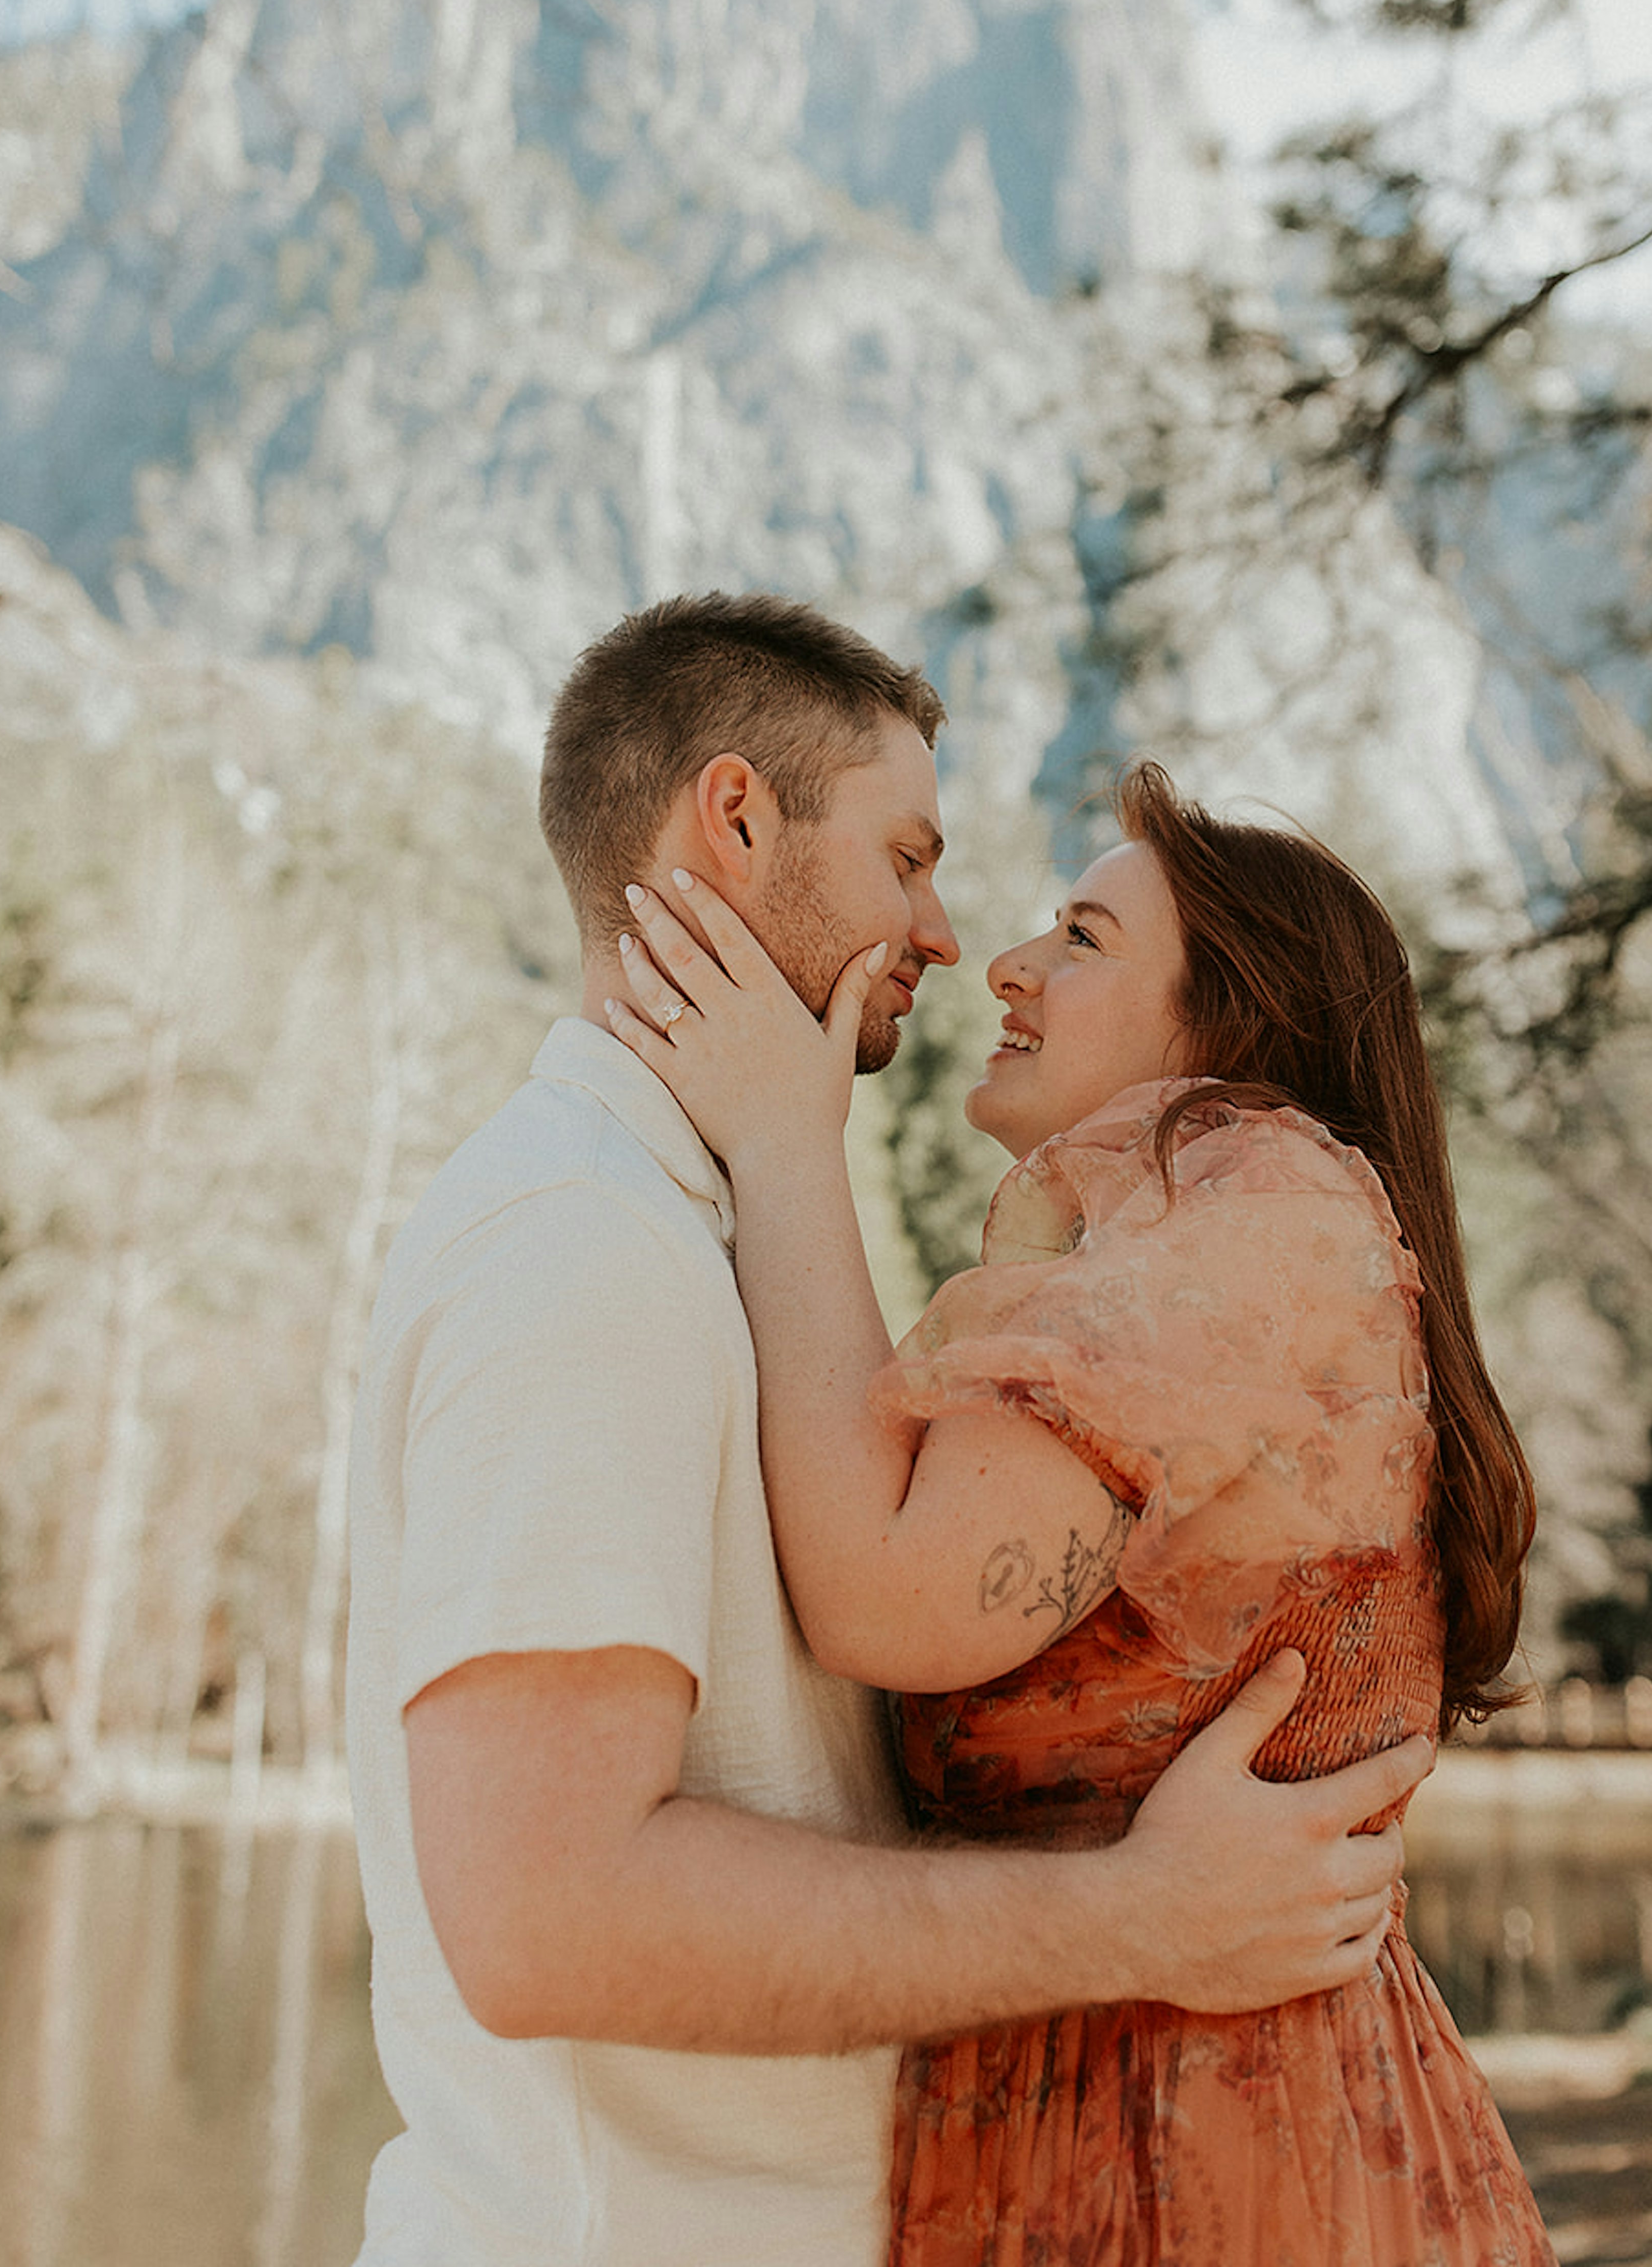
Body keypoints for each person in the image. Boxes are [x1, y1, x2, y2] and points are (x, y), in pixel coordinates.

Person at [345, 595, 1435, 2267]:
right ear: (734, 819)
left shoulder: (705, 1235)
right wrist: (1138, 1918)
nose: (947, 933)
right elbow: (543, 1916)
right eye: (908, 857)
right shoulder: (580, 1247)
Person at [609, 750, 1556, 2264]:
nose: (1008, 963)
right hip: (1115, 2094)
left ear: (1229, 1019)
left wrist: (789, 1141)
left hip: (1214, 2141)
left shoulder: (1266, 1212)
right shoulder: (1191, 1244)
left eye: (1084, 938)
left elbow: (887, 1595)